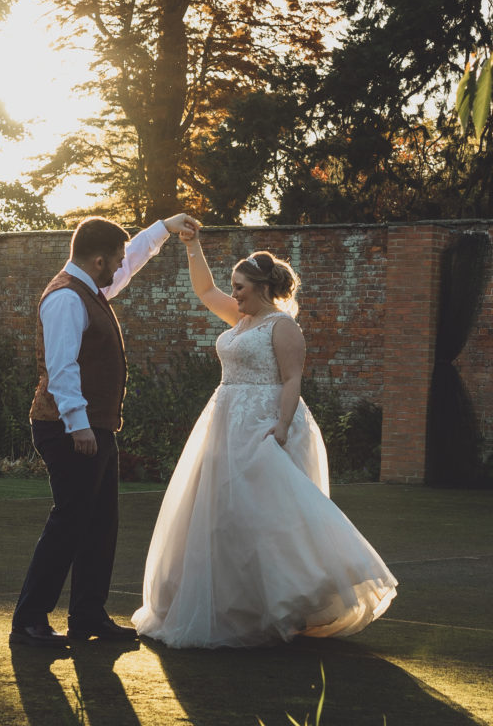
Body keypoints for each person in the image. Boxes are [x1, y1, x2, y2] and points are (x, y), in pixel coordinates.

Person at [132, 224, 397, 648]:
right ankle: (233, 606)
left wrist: (281, 425)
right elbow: (204, 290)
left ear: (259, 288)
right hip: (224, 419)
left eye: (239, 288)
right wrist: (192, 244)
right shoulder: (240, 319)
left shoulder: (281, 327)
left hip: (264, 421)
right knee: (222, 514)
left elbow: (292, 379)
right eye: (234, 288)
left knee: (267, 514)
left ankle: (291, 598)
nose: (233, 294)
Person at [10, 211, 195, 651]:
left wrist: (164, 229)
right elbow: (61, 368)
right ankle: (30, 621)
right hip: (68, 427)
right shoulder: (65, 298)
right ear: (96, 261)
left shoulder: (90, 286)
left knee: (100, 524)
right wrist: (79, 425)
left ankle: (87, 616)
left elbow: (130, 261)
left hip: (95, 427)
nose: (118, 268)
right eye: (112, 261)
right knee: (69, 523)